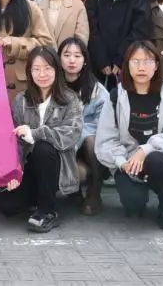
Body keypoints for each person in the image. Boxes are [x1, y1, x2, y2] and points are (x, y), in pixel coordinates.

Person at [95, 40, 163, 231]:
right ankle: (139, 194)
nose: (141, 67)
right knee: (133, 205)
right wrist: (122, 162)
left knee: (156, 161)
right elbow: (105, 139)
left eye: (148, 61)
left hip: (158, 159)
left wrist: (146, 150)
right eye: (135, 61)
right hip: (128, 161)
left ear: (156, 66)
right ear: (127, 65)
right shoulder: (116, 97)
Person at [0, 46, 83, 233]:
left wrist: (35, 134)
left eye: (47, 68)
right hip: (29, 167)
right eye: (36, 69)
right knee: (7, 206)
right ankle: (36, 198)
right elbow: (15, 141)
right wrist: (13, 170)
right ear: (29, 72)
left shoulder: (69, 99)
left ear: (57, 70)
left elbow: (72, 133)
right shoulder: (21, 100)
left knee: (43, 147)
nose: (42, 74)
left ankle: (47, 211)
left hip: (56, 167)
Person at [85, 0, 151, 86]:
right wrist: (102, 59)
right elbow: (91, 28)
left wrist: (122, 58)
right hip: (99, 63)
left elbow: (140, 28)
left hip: (129, 59)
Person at [58, 36, 107, 215]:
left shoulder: (96, 89)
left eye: (77, 56)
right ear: (59, 58)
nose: (71, 60)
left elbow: (104, 124)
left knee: (91, 140)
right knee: (77, 172)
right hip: (62, 145)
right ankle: (74, 191)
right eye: (66, 55)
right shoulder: (52, 84)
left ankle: (95, 191)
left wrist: (78, 132)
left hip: (89, 150)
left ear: (85, 60)